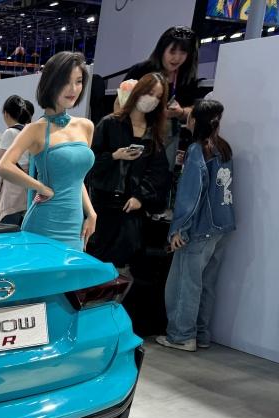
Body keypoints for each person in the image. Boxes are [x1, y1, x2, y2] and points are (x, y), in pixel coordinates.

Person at [0, 51, 97, 251]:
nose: (73, 89)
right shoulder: (35, 129)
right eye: (66, 82)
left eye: (78, 81)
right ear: (51, 83)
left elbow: (76, 178)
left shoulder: (86, 126)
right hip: (44, 222)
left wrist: (91, 213)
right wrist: (40, 187)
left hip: (75, 224)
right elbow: (3, 166)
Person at [156, 100, 234, 352]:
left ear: (195, 121)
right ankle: (200, 334)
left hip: (200, 228)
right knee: (205, 283)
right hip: (222, 225)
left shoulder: (197, 150)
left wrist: (179, 228)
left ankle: (181, 336)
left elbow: (191, 194)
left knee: (183, 283)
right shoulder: (223, 148)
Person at [90, 72, 170, 270]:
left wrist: (140, 197)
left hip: (133, 208)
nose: (152, 99)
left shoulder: (154, 131)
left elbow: (158, 172)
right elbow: (90, 162)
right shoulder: (109, 123)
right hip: (104, 203)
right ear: (139, 91)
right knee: (97, 256)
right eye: (150, 93)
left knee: (124, 258)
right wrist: (114, 156)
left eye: (158, 96)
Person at [121, 26, 200, 167]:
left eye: (183, 52)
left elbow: (194, 109)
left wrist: (180, 112)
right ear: (162, 49)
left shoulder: (187, 77)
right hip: (136, 133)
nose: (177, 58)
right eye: (172, 51)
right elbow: (120, 104)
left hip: (167, 138)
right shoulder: (141, 70)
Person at [0, 95, 33, 225]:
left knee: (1, 223)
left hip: (12, 188)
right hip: (25, 187)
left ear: (6, 114)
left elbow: (0, 166)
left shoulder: (9, 133)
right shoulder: (28, 131)